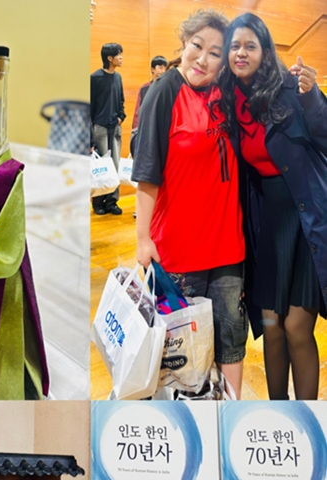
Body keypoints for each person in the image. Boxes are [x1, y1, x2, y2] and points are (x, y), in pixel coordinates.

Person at [132, 9, 248, 398]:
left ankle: (230, 416)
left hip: (228, 245)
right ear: (183, 44)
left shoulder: (225, 94)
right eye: (197, 46)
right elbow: (147, 173)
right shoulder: (164, 91)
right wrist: (142, 239)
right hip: (179, 251)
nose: (203, 58)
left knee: (231, 336)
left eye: (215, 53)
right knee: (182, 353)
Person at [218, 13, 327, 400]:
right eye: (235, 46)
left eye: (250, 45)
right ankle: (279, 414)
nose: (241, 53)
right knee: (271, 326)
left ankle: (307, 419)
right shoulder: (230, 99)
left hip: (306, 219)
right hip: (265, 226)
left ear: (265, 52)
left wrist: (312, 95)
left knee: (297, 327)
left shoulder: (291, 88)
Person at [91, 42, 126, 215]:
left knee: (115, 165)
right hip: (100, 128)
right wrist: (90, 137)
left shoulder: (118, 77)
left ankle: (112, 202)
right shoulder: (95, 78)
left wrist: (121, 117)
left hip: (115, 127)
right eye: (118, 55)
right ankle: (98, 203)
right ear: (109, 58)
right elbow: (89, 108)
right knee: (102, 166)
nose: (121, 58)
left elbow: (121, 101)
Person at [130, 56, 168, 155]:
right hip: (146, 130)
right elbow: (138, 110)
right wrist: (135, 130)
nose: (163, 71)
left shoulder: (168, 88)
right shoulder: (144, 88)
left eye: (165, 68)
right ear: (152, 69)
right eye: (160, 67)